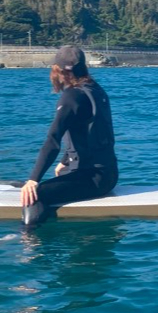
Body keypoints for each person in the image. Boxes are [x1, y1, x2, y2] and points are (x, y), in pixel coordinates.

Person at [20, 46, 118, 225]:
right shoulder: (96, 90)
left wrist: (33, 180)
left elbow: (53, 140)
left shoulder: (71, 97)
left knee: (36, 194)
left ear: (59, 70)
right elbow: (90, 131)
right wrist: (65, 160)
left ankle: (28, 240)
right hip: (109, 175)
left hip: (92, 178)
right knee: (60, 176)